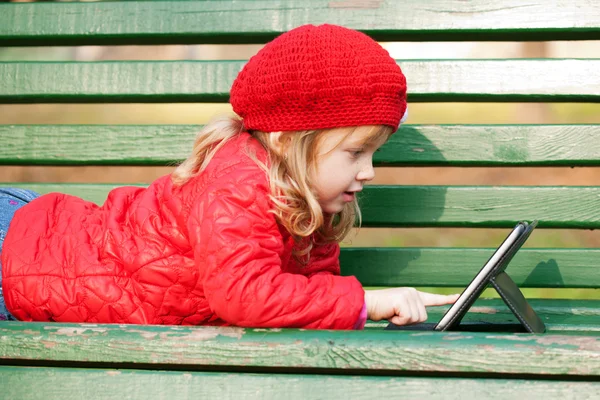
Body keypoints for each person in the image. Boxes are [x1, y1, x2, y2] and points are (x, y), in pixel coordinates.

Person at [0, 24, 458, 329]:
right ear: (286, 139)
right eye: (356, 152)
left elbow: (304, 294)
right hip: (23, 261)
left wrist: (347, 311)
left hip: (39, 242)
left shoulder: (304, 195)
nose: (369, 172)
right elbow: (246, 295)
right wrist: (366, 303)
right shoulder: (239, 182)